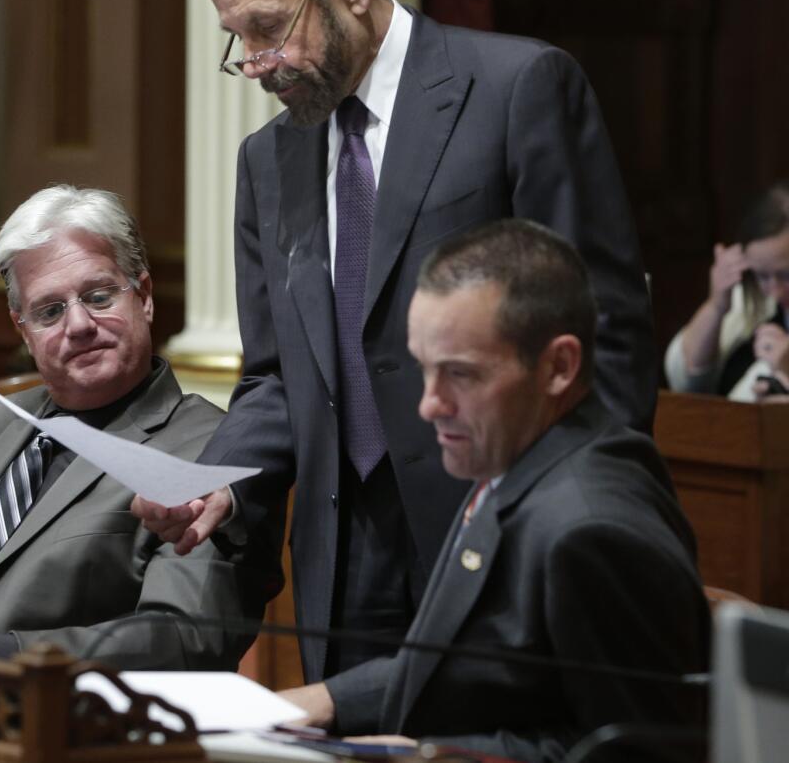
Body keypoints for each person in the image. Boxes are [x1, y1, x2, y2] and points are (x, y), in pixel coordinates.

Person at [134, 0, 657, 693]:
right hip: (342, 560)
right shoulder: (267, 161)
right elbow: (276, 376)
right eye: (237, 41)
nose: (258, 66)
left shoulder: (517, 87)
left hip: (504, 532)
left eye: (269, 29)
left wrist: (583, 520)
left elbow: (606, 337)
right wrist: (216, 485)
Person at [281, 219, 709, 762]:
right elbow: (470, 664)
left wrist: (428, 756)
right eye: (424, 369)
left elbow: (642, 754)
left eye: (460, 374)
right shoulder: (522, 454)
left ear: (558, 366)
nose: (429, 405)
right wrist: (324, 700)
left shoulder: (590, 527)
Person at [0, 186, 262, 670]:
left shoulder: (209, 449)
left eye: (98, 296)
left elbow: (186, 638)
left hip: (46, 723)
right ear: (23, 329)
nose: (79, 324)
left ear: (143, 296)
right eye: (49, 311)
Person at [665, 180, 789, 400]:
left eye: (786, 275)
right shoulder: (752, 298)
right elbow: (683, 381)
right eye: (762, 276)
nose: (775, 291)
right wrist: (717, 306)